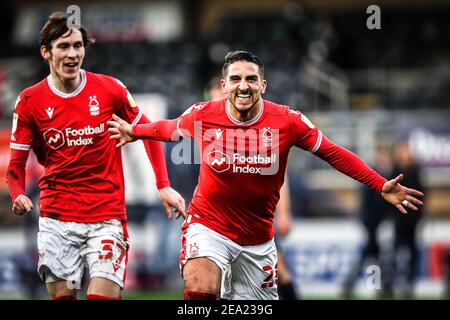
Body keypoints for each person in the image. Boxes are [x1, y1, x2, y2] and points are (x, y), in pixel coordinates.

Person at [108, 50, 424, 300]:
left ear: (262, 85)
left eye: (250, 79)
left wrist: (379, 183)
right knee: (200, 288)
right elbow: (168, 128)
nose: (242, 85)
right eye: (235, 79)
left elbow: (332, 152)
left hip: (258, 239)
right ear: (224, 85)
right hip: (208, 226)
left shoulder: (288, 121)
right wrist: (136, 131)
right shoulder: (203, 114)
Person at [6, 12, 186, 300]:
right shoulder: (30, 101)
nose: (73, 53)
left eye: (78, 46)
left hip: (107, 217)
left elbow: (146, 131)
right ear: (46, 52)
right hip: (56, 218)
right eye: (64, 46)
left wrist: (163, 185)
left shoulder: (110, 89)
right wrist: (17, 194)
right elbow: (15, 167)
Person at [208, 74, 299, 299]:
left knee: (278, 271)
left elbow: (279, 177)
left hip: (255, 219)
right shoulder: (211, 132)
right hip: (219, 222)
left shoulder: (255, 131)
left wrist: (284, 213)